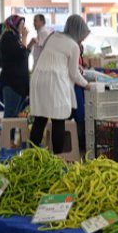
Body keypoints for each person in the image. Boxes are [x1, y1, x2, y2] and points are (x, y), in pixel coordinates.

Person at [28, 14, 89, 154]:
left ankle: (31, 157)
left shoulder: (53, 36)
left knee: (40, 119)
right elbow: (74, 74)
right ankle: (57, 159)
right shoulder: (74, 46)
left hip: (38, 78)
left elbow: (55, 58)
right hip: (54, 83)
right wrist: (87, 85)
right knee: (58, 120)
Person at [0, 15, 30, 118]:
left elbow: (23, 55)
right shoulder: (8, 38)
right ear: (14, 25)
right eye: (21, 24)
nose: (23, 27)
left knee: (15, 116)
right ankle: (8, 135)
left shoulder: (15, 38)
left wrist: (29, 45)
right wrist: (25, 37)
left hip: (19, 84)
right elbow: (22, 53)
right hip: (12, 84)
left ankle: (10, 134)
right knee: (10, 116)